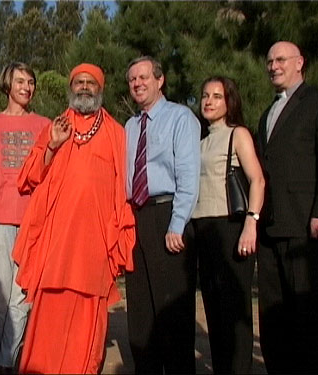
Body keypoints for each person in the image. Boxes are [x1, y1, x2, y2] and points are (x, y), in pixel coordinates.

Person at [11, 63, 135, 374]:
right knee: (48, 320)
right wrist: (52, 144)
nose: (83, 87)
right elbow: (27, 178)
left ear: (100, 89)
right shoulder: (56, 126)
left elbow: (124, 190)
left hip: (94, 244)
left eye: (90, 83)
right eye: (78, 82)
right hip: (56, 244)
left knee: (88, 324)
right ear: (71, 87)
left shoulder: (117, 133)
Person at [257, 41, 318, 374]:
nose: (273, 66)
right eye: (269, 61)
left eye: (281, 59)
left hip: (304, 227)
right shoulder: (267, 113)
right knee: (274, 320)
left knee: (307, 318)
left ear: (300, 63)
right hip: (270, 229)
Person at [125, 56, 200, 374]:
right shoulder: (130, 126)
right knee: (140, 315)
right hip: (136, 218)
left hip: (168, 215)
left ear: (160, 80)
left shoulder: (181, 118)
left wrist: (178, 223)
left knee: (172, 314)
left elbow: (188, 175)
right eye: (132, 80)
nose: (138, 84)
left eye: (143, 77)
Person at [0, 62, 50, 373]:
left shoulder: (45, 124)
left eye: (31, 82)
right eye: (20, 81)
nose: (26, 87)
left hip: (33, 221)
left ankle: (8, 364)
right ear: (8, 84)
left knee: (22, 301)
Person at [191, 76, 265, 373]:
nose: (209, 101)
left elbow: (257, 180)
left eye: (217, 96)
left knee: (234, 313)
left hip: (231, 227)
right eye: (205, 95)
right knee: (214, 312)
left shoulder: (238, 134)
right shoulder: (201, 139)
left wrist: (251, 222)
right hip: (202, 229)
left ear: (229, 101)